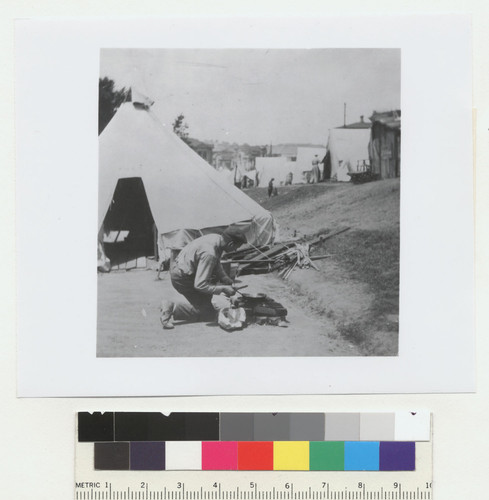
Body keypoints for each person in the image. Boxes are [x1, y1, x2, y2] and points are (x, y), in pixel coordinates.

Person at [159, 226, 248, 329]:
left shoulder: (217, 238)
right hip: (181, 278)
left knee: (208, 300)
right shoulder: (209, 253)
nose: (235, 249)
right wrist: (223, 288)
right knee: (208, 312)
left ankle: (181, 305)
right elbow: (200, 285)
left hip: (181, 269)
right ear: (231, 244)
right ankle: (173, 307)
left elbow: (216, 262)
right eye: (236, 247)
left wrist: (224, 278)